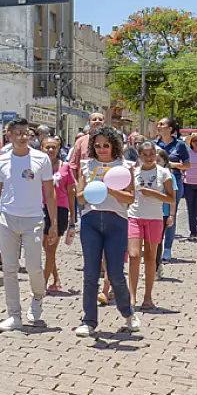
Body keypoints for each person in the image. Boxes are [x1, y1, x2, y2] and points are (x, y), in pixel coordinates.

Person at [0, 117, 56, 332]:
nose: (23, 137)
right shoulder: (1, 161)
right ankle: (14, 315)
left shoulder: (41, 159)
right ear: (9, 136)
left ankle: (37, 297)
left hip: (34, 219)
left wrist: (53, 223)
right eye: (18, 133)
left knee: (34, 266)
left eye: (26, 133)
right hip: (7, 218)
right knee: (9, 269)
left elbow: (49, 192)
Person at [74, 126, 139, 338]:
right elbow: (80, 198)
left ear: (114, 146)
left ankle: (128, 313)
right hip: (91, 219)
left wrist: (110, 189)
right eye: (97, 145)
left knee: (116, 274)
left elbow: (130, 198)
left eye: (106, 145)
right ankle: (88, 320)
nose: (101, 149)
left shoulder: (124, 166)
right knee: (90, 273)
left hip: (116, 221)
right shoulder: (87, 165)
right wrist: (94, 188)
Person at [128, 141, 174, 311]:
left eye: (151, 154)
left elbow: (171, 198)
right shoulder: (133, 172)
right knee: (134, 255)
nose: (148, 157)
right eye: (145, 154)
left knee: (150, 257)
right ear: (139, 155)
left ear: (156, 154)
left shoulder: (164, 173)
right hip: (134, 216)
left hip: (155, 218)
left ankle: (148, 296)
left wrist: (153, 193)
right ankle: (131, 296)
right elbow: (128, 193)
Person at [154, 118, 188, 263]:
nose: (158, 126)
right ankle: (155, 245)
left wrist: (171, 164)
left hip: (174, 181)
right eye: (158, 124)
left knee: (169, 213)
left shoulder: (179, 145)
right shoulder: (154, 144)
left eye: (162, 124)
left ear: (170, 129)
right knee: (156, 213)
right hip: (156, 183)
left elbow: (188, 165)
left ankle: (167, 248)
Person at [43, 137, 74, 293]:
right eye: (47, 147)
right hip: (41, 208)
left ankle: (42, 283)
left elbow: (71, 193)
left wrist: (73, 218)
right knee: (45, 246)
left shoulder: (65, 168)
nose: (50, 150)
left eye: (53, 147)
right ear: (42, 148)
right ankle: (55, 278)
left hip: (60, 209)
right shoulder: (38, 166)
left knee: (51, 248)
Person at [68, 112, 106, 183]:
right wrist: (76, 184)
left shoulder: (111, 140)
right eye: (94, 119)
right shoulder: (81, 141)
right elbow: (73, 165)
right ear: (89, 123)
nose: (97, 121)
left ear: (104, 123)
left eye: (100, 119)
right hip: (85, 184)